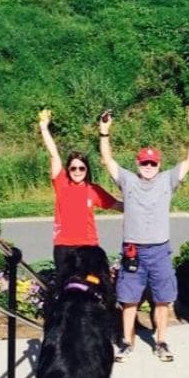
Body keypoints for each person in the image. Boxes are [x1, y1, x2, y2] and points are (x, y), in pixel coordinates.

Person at [99, 106, 189, 363]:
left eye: (152, 163)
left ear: (158, 164)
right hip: (133, 250)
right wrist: (104, 133)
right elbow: (108, 161)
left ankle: (161, 341)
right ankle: (127, 342)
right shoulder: (128, 181)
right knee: (128, 300)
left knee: (162, 299)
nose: (148, 166)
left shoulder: (167, 180)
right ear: (138, 164)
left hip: (159, 251)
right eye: (144, 162)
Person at [38, 109, 122, 270]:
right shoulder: (61, 183)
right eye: (73, 168)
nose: (77, 171)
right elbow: (54, 155)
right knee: (67, 284)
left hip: (88, 246)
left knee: (92, 282)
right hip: (64, 246)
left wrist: (141, 208)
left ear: (86, 170)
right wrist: (44, 128)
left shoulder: (93, 190)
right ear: (68, 169)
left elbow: (117, 205)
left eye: (81, 168)